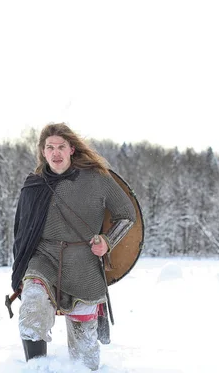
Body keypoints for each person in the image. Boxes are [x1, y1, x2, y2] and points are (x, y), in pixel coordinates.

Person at [11, 122, 136, 370]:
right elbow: (22, 232)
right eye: (50, 147)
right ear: (43, 152)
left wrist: (107, 241)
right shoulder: (34, 184)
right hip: (43, 258)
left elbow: (127, 214)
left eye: (61, 147)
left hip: (84, 265)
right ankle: (36, 368)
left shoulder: (98, 179)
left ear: (71, 149)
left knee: (84, 358)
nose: (55, 153)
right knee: (32, 309)